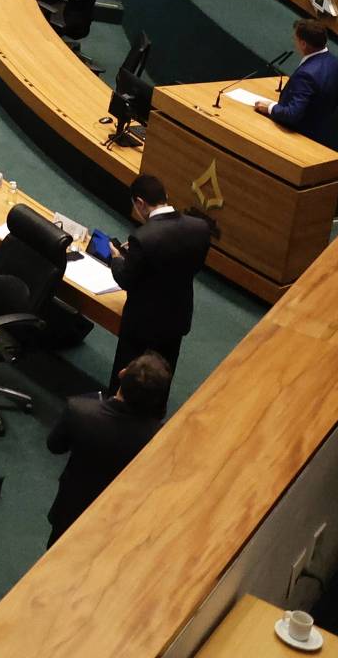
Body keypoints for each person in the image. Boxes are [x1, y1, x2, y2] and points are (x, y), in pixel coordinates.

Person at [45, 351, 171, 543]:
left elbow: (55, 446)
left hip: (71, 512)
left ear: (122, 373)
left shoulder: (80, 409)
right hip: (119, 523)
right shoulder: (160, 437)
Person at [105, 172, 212, 385]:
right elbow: (192, 265)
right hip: (176, 319)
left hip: (142, 324)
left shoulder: (143, 237)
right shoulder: (200, 228)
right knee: (161, 377)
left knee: (129, 379)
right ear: (166, 196)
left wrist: (116, 258)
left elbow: (126, 279)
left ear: (140, 203)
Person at [258, 17, 338, 138]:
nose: (294, 42)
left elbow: (292, 115)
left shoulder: (306, 74)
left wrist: (270, 107)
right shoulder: (336, 63)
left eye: (295, 39)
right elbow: (334, 101)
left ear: (303, 44)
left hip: (297, 133)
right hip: (320, 129)